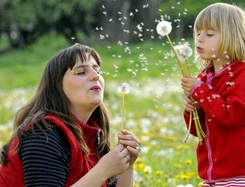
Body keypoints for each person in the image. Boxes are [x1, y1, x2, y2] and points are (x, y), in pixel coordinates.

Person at [0, 43, 141, 187]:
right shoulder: (43, 134)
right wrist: (102, 171)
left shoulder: (92, 138)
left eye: (97, 70)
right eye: (81, 72)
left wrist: (127, 165)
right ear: (57, 86)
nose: (95, 76)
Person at [181, 2, 245, 186]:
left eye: (209, 34)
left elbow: (231, 116)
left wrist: (201, 92)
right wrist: (192, 111)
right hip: (213, 177)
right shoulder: (205, 77)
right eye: (198, 33)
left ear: (233, 37)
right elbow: (199, 132)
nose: (200, 39)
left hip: (243, 175)